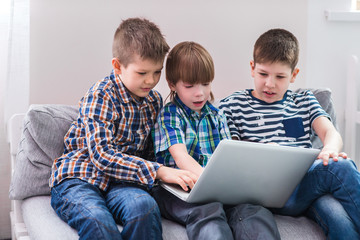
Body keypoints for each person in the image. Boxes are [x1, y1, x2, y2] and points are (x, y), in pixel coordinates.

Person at [49, 18, 198, 240]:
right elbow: (102, 156)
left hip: (123, 183)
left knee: (144, 208)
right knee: (97, 220)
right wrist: (157, 171)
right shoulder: (101, 95)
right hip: (80, 178)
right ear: (118, 66)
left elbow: (152, 150)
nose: (151, 80)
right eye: (142, 73)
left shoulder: (154, 101)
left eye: (157, 72)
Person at [219, 28, 360, 239]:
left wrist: (329, 149)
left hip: (303, 190)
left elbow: (330, 132)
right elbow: (228, 158)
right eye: (263, 74)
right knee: (340, 168)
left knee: (339, 215)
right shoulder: (232, 105)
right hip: (260, 194)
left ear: (294, 75)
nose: (270, 83)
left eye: (280, 76)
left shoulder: (304, 100)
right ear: (252, 68)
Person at [152, 41, 281, 240]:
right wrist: (209, 182)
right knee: (208, 212)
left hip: (217, 188)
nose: (200, 92)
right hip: (178, 190)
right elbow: (181, 158)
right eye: (190, 86)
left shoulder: (217, 115)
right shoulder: (170, 115)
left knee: (254, 213)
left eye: (206, 84)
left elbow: (228, 157)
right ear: (172, 84)